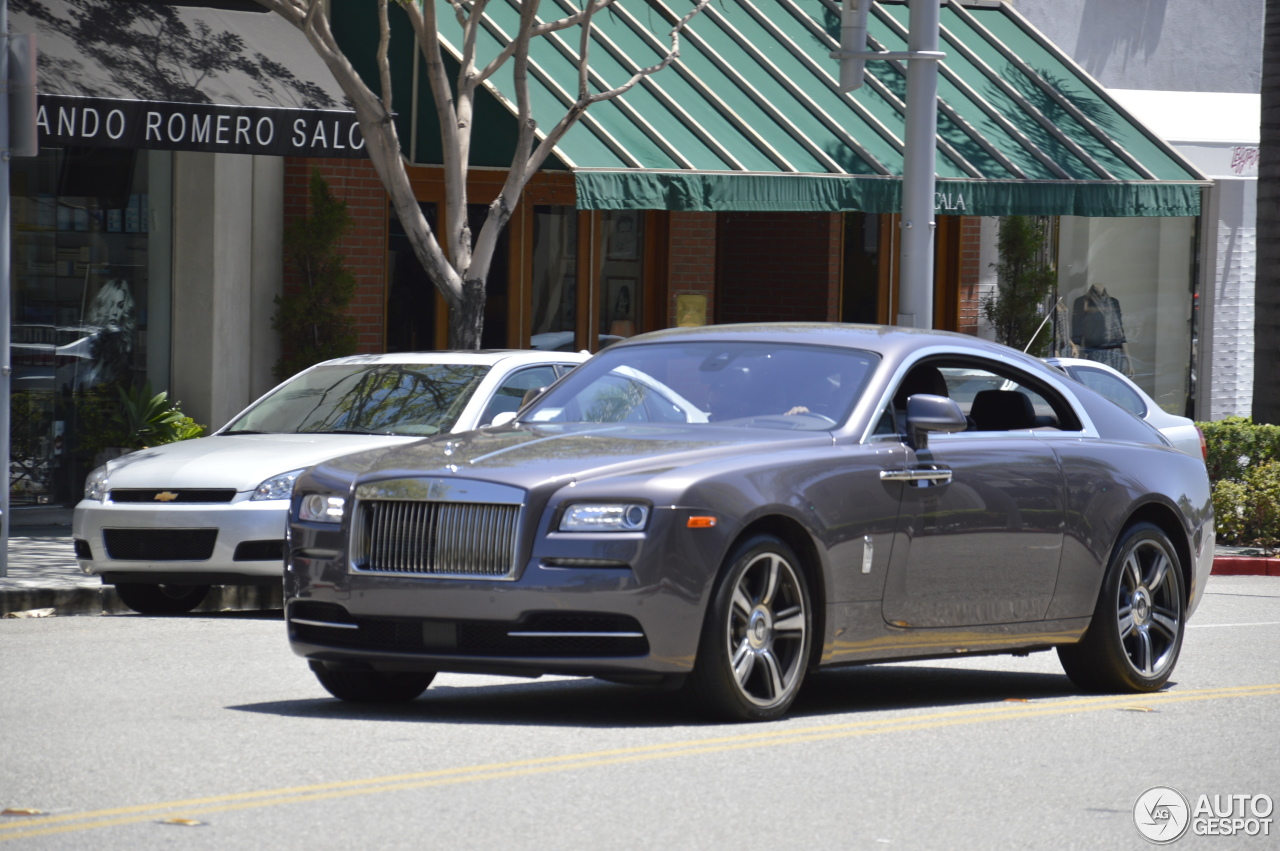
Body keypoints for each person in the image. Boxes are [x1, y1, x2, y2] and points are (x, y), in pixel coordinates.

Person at [1071, 284, 1131, 374]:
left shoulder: (1113, 302)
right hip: (1094, 355)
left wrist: (1129, 362)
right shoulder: (1082, 301)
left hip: (1116, 357)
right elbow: (1077, 329)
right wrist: (1075, 352)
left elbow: (1120, 334)